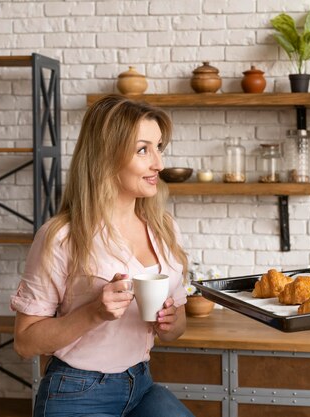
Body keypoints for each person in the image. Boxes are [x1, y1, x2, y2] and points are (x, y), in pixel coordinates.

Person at [11, 94, 195, 417]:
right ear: (107, 156)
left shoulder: (164, 228)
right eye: (143, 150)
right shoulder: (62, 237)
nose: (159, 163)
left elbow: (178, 323)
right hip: (75, 393)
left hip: (140, 385)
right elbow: (24, 342)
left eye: (159, 147)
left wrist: (169, 323)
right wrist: (94, 313)